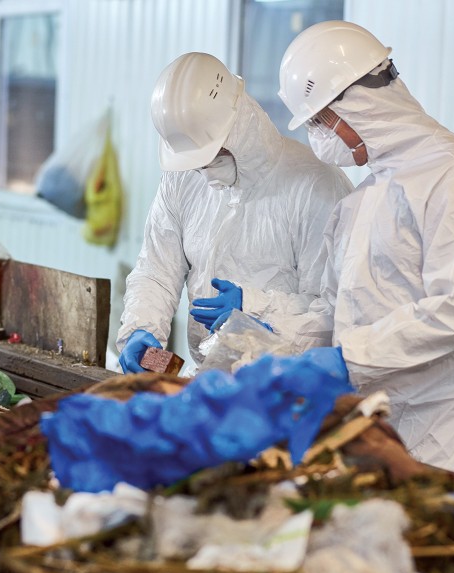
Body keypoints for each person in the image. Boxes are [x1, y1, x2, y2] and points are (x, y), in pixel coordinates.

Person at [278, 21, 454, 480]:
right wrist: (273, 342)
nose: (318, 137)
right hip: (380, 420)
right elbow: (336, 307)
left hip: (452, 428)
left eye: (319, 122)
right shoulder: (364, 199)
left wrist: (346, 359)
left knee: (443, 546)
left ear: (357, 103)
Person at [117, 52, 353, 373]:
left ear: (240, 126)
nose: (204, 171)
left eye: (213, 156)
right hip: (207, 380)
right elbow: (157, 270)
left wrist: (258, 313)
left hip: (285, 385)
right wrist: (140, 327)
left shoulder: (316, 186)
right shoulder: (183, 175)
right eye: (196, 162)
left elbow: (337, 310)